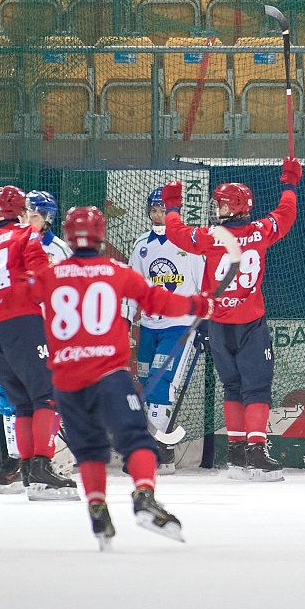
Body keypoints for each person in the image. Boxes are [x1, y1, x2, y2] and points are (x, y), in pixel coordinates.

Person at [17, 206, 216, 550]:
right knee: (137, 440)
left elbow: (27, 282)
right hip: (109, 374)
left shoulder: (49, 275)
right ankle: (143, 495)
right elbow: (156, 301)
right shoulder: (116, 271)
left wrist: (28, 236)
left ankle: (97, 506)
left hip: (65, 379)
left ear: (66, 235)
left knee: (89, 449)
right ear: (101, 234)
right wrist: (196, 305)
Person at [161, 157, 301, 482]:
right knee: (257, 389)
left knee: (233, 386)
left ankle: (237, 454)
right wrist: (291, 184)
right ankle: (256, 451)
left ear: (231, 207)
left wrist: (171, 205)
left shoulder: (210, 237)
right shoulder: (260, 231)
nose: (215, 210)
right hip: (250, 325)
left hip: (219, 327)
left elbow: (177, 233)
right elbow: (287, 215)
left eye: (219, 205)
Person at [0, 184, 79, 500]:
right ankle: (42, 469)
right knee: (46, 394)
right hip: (20, 322)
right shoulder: (25, 235)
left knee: (21, 401)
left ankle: (30, 470)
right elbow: (43, 279)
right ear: (21, 212)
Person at [126, 186, 206, 474]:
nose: (159, 215)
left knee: (162, 382)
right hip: (149, 325)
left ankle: (156, 448)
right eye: (154, 209)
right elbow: (131, 287)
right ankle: (163, 451)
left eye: (164, 209)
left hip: (180, 326)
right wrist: (125, 318)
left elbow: (203, 286)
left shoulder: (190, 243)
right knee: (147, 384)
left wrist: (204, 321)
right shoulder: (141, 246)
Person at [25, 190, 73, 264]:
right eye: (26, 216)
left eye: (34, 217)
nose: (28, 221)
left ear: (47, 219)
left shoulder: (61, 250)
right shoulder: (15, 245)